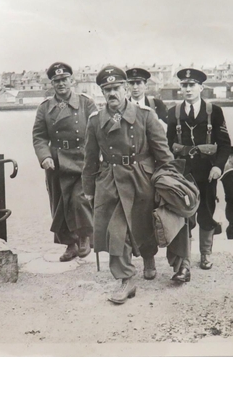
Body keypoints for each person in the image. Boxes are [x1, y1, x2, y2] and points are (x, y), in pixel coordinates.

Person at [82, 65, 174, 304]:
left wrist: (167, 183)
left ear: (125, 88)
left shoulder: (145, 115)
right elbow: (90, 158)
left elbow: (163, 154)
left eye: (115, 88)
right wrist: (89, 190)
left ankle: (149, 257)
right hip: (110, 180)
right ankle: (126, 280)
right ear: (102, 92)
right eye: (106, 89)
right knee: (116, 230)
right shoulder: (95, 121)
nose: (112, 93)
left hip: (140, 177)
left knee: (143, 225)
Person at [166, 68, 231, 273]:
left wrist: (218, 167)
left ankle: (205, 254)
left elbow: (225, 144)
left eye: (191, 85)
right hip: (183, 174)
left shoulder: (215, 111)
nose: (187, 89)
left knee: (206, 212)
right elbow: (167, 144)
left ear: (201, 87)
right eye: (184, 85)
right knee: (184, 215)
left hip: (207, 173)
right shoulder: (173, 113)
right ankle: (184, 259)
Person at [32, 62, 97, 262]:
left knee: (80, 199)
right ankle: (70, 244)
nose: (61, 84)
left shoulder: (86, 103)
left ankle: (85, 236)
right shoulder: (45, 108)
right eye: (56, 81)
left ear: (72, 80)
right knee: (59, 203)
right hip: (57, 162)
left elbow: (97, 131)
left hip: (82, 159)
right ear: (52, 83)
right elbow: (39, 137)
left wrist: (97, 156)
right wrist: (45, 157)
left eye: (64, 79)